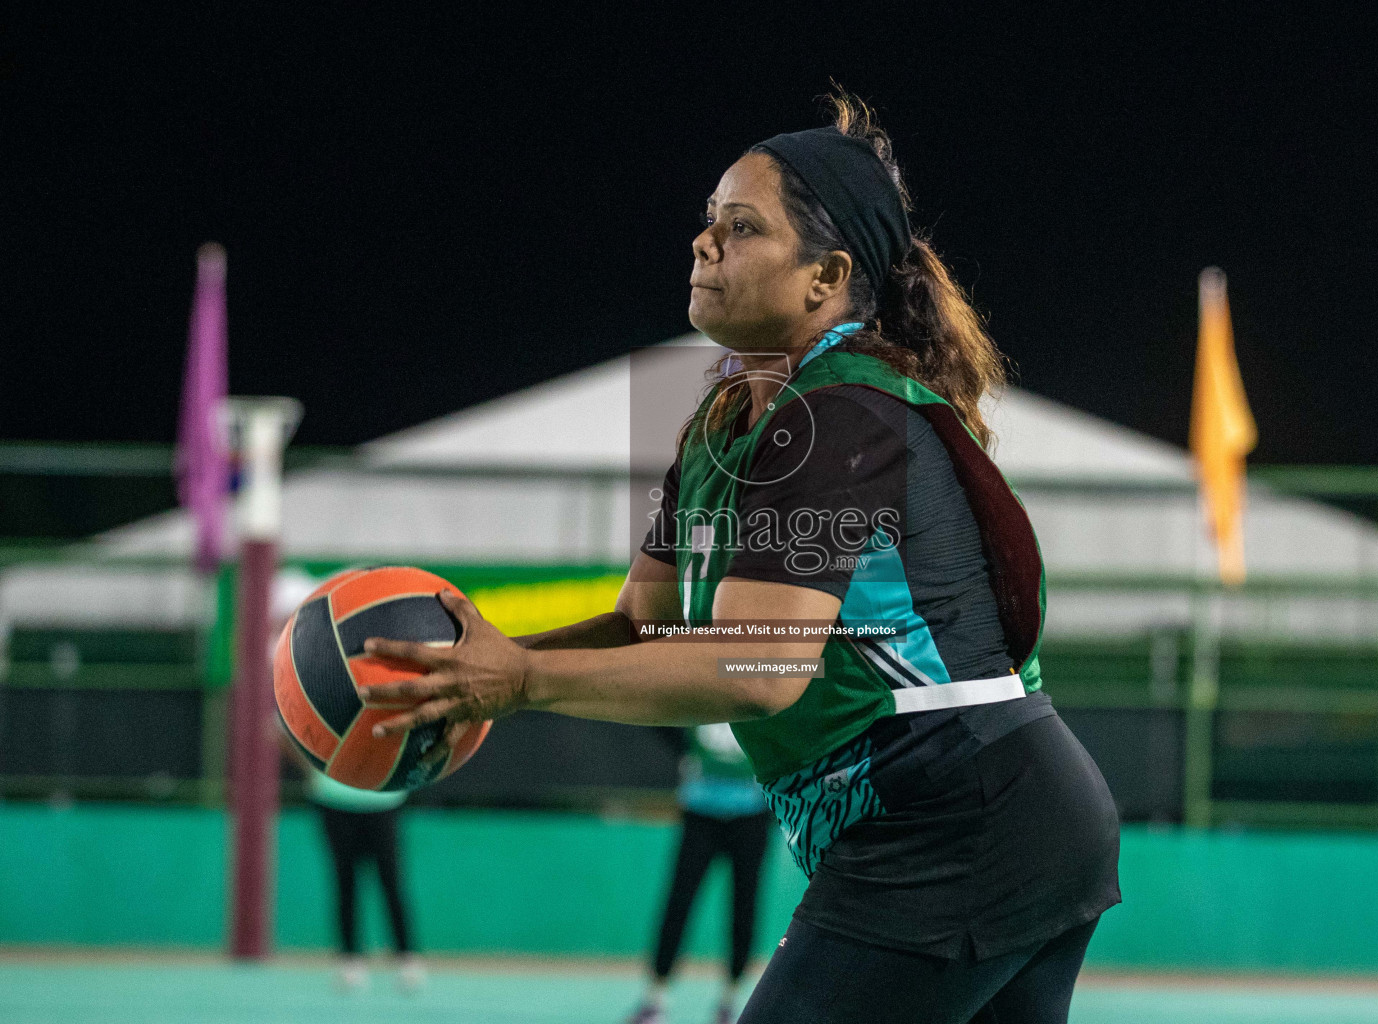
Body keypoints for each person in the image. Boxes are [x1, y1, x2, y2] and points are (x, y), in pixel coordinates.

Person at [361, 90, 1122, 1023]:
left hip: (961, 813)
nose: (703, 243)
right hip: (988, 818)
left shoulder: (843, 413)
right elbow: (647, 625)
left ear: (825, 275)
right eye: (708, 222)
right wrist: (475, 675)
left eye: (742, 227)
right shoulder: (722, 425)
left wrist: (519, 679)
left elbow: (757, 668)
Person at [271, 569, 424, 994]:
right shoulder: (310, 671)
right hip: (333, 797)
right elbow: (281, 731)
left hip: (382, 799)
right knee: (345, 881)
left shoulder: (384, 669)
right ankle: (351, 960)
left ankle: (407, 958)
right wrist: (315, 769)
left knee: (390, 880)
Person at [628, 725, 775, 1024]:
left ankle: (730, 1002)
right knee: (678, 903)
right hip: (700, 810)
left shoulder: (765, 680)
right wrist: (684, 752)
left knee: (744, 906)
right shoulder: (698, 687)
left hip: (751, 813)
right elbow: (660, 709)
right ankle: (655, 1001)